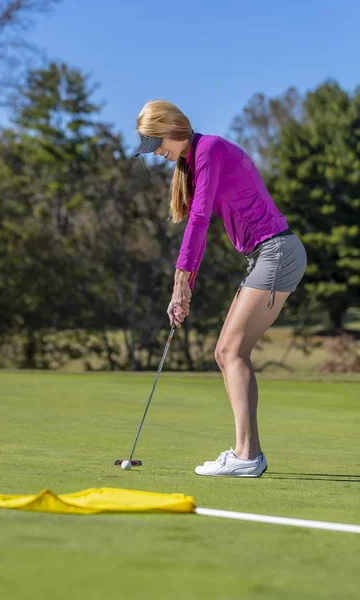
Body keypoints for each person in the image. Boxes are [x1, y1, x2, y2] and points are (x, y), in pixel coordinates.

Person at [134, 100, 307, 478]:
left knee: (231, 351)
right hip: (266, 254)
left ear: (172, 127)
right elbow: (199, 220)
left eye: (157, 142)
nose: (158, 153)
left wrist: (181, 283)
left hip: (277, 251)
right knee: (225, 352)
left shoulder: (209, 148)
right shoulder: (193, 163)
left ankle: (246, 456)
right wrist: (185, 288)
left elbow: (198, 219)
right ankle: (249, 453)